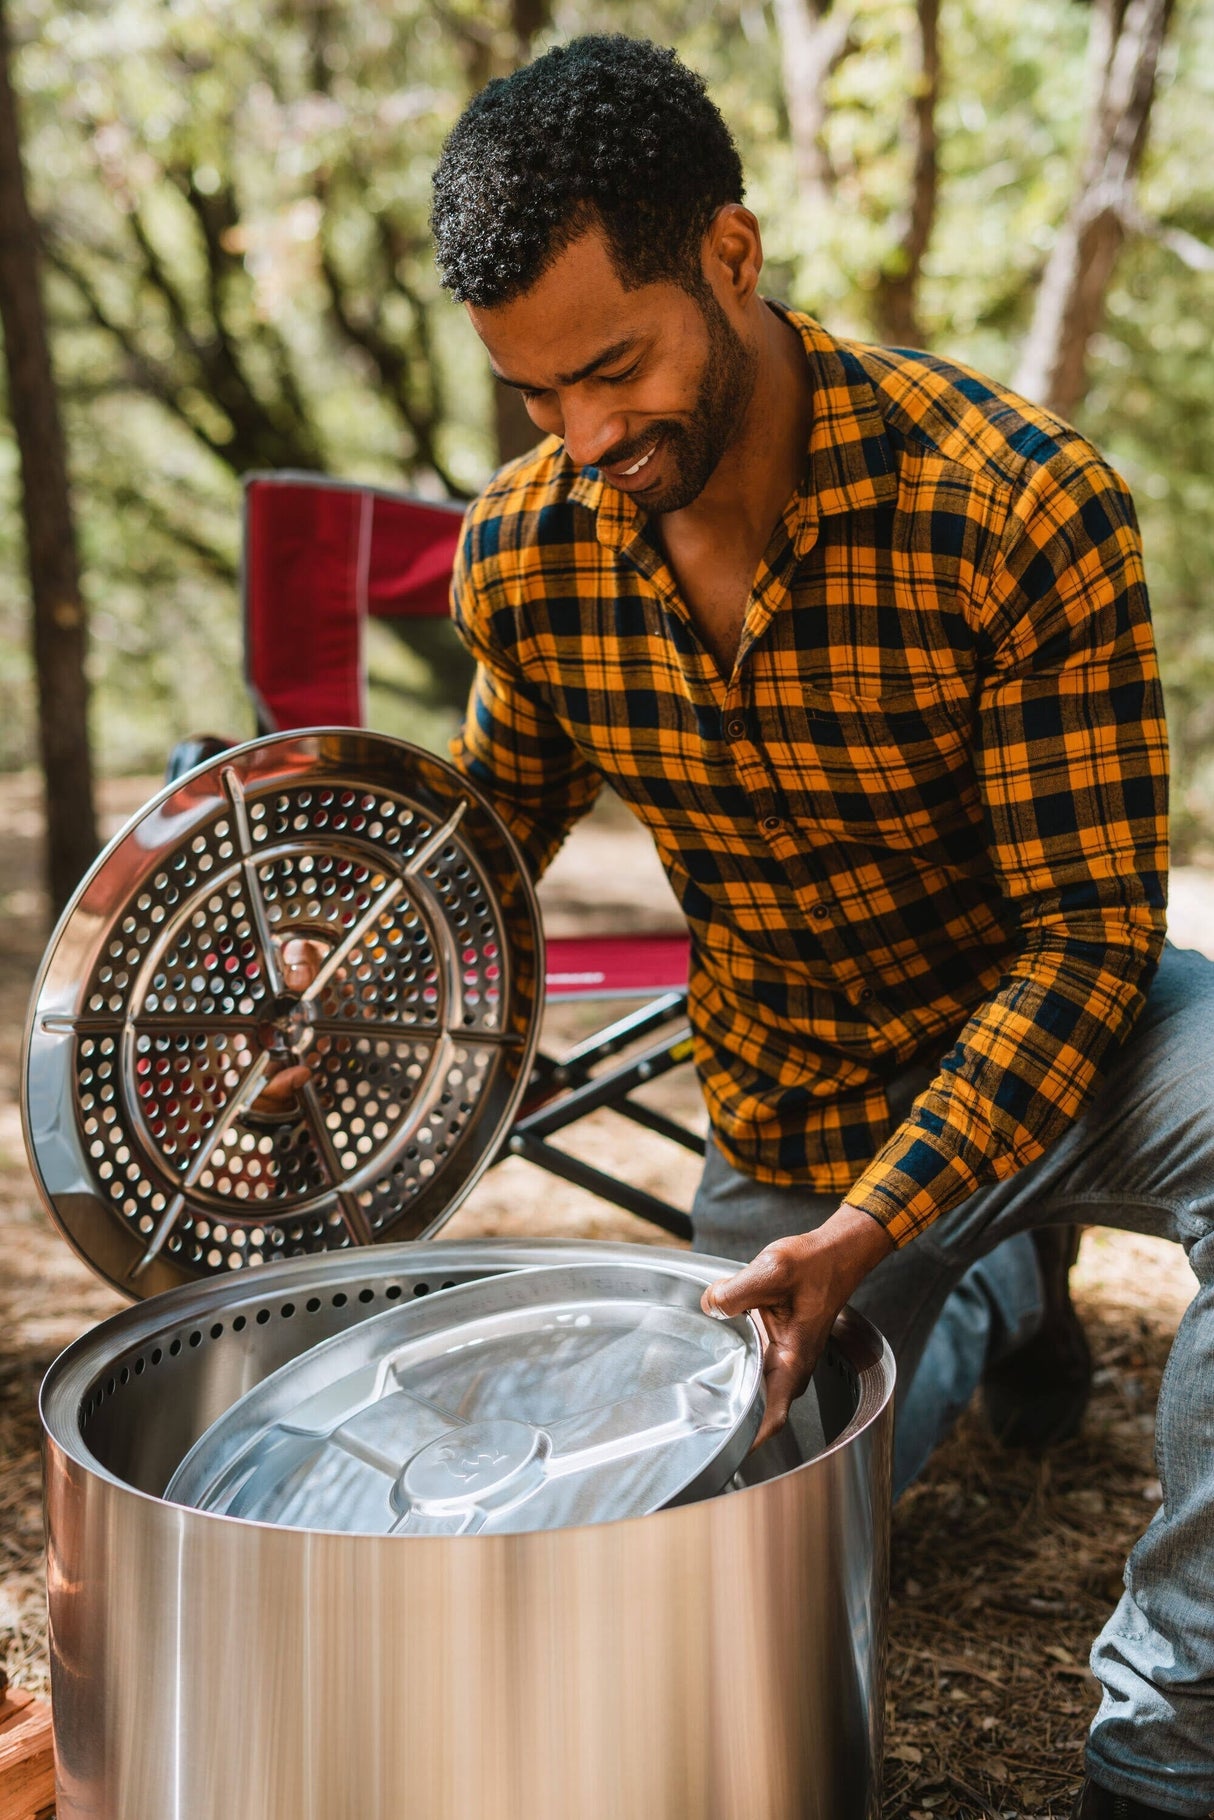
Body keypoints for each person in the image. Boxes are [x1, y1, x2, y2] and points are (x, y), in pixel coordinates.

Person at [429, 35, 1212, 1820]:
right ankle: (1000, 1293)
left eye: (612, 370)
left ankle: (1167, 1745)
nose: (586, 440)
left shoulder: (1017, 503)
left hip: (1064, 1036)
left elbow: (1088, 938)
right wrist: (352, 952)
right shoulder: (528, 553)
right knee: (713, 1548)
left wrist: (886, 1220)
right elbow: (490, 834)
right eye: (535, 399)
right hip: (795, 1094)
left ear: (730, 254)